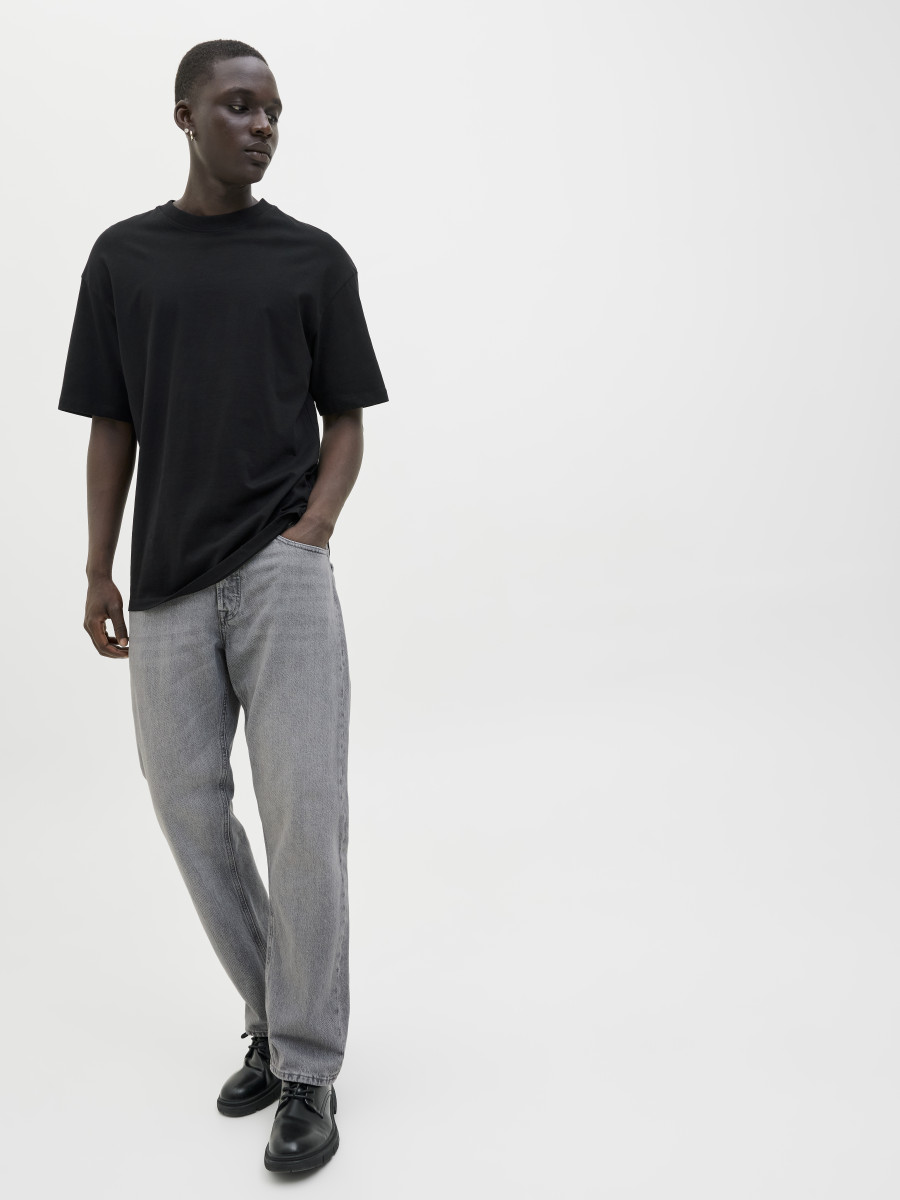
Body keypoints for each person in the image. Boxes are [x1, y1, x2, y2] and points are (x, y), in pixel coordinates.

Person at [56, 38, 390, 1175]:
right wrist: (96, 566)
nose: (262, 125)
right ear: (185, 115)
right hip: (163, 582)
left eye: (274, 111)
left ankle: (308, 1067)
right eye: (239, 106)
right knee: (186, 805)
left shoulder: (312, 260)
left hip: (281, 573)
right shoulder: (124, 258)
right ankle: (275, 1013)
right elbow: (112, 422)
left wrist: (314, 531)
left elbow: (347, 420)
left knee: (305, 816)